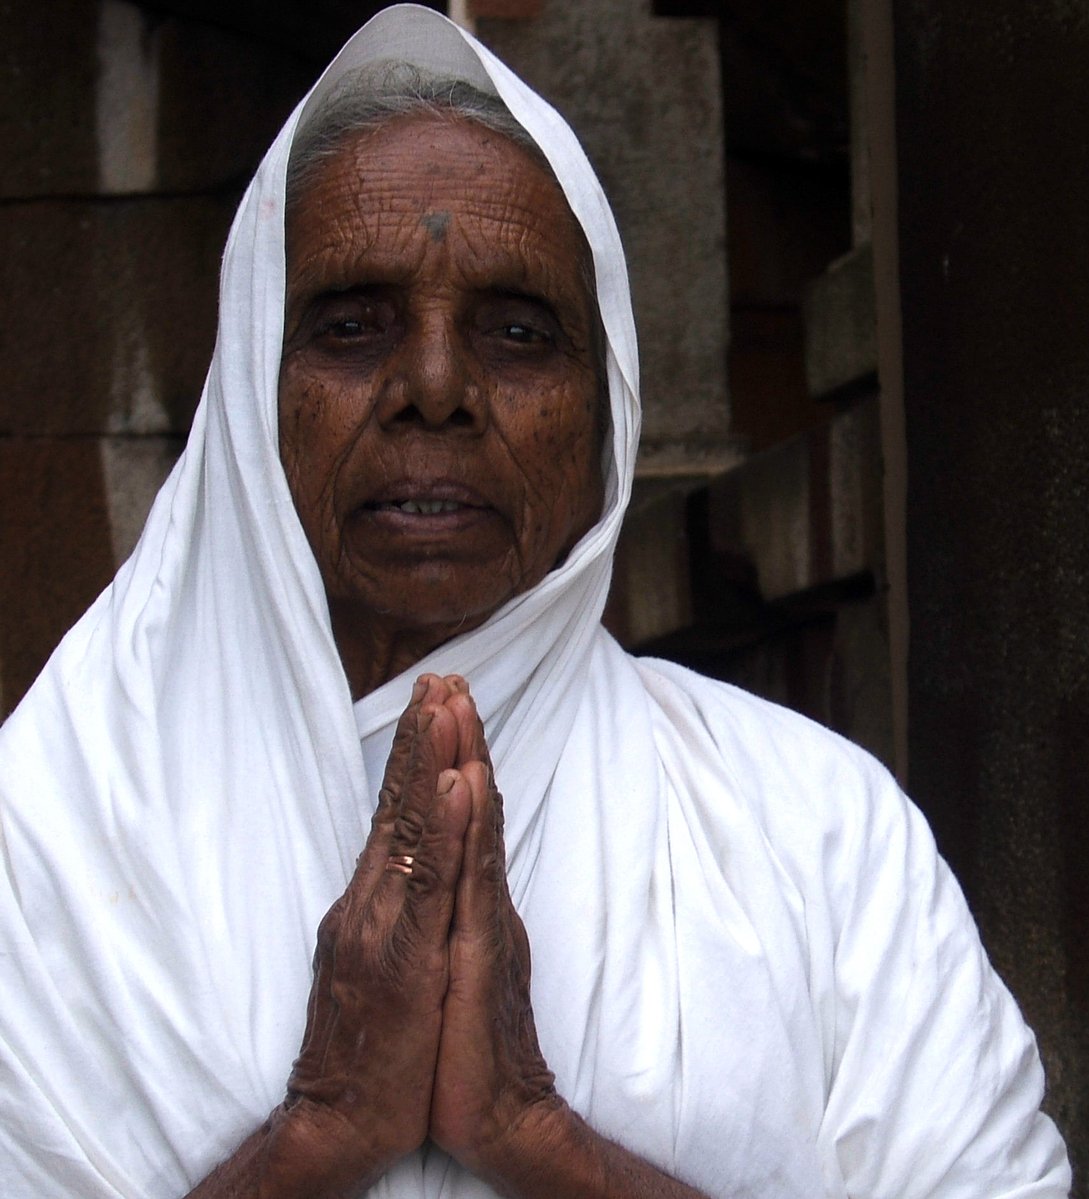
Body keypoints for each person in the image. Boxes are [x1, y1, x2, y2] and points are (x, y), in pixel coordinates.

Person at [0, 6, 1070, 1198]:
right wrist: (325, 1128)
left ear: (605, 409)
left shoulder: (818, 834)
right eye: (352, 323)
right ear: (251, 399)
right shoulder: (49, 831)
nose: (438, 386)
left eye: (518, 331)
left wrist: (530, 1131)